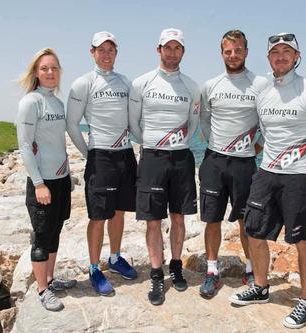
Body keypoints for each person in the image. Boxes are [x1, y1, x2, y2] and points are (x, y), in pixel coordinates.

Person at [228, 32, 306, 329]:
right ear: (268, 59)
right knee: (253, 232)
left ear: (297, 57)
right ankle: (261, 288)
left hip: (298, 178)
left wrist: (303, 162)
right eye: (275, 52)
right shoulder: (264, 93)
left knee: (302, 240)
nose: (280, 56)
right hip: (266, 174)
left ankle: (305, 300)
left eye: (287, 52)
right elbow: (264, 132)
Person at [129, 28, 200, 305]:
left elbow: (193, 124)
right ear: (158, 49)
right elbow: (134, 123)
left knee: (179, 218)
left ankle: (177, 266)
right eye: (167, 47)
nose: (172, 53)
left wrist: (176, 143)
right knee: (154, 220)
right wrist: (151, 142)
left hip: (181, 157)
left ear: (183, 52)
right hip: (152, 158)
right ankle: (157, 274)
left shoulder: (191, 86)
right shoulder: (141, 83)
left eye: (177, 48)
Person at [198, 29, 269, 299]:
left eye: (238, 50)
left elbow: (267, 121)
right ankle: (212, 272)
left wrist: (257, 146)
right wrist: (216, 142)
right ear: (222, 53)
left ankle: (250, 270)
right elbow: (204, 120)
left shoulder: (260, 84)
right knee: (212, 219)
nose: (233, 55)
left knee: (246, 221)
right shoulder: (211, 85)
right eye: (228, 51)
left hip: (245, 165)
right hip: (215, 161)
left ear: (246, 52)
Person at [66, 31, 137, 296]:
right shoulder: (83, 83)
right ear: (92, 52)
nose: (106, 54)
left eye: (111, 49)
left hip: (126, 154)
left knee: (119, 211)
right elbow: (72, 123)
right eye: (101, 49)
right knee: (98, 216)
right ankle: (94, 268)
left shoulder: (125, 82)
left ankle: (115, 258)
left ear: (116, 53)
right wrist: (89, 154)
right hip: (100, 156)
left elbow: (133, 121)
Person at [16, 48, 77, 311]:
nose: (50, 72)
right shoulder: (31, 102)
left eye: (54, 68)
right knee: (41, 236)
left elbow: (57, 142)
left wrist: (70, 172)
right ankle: (42, 290)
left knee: (56, 230)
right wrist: (39, 183)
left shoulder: (57, 102)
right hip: (43, 183)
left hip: (62, 179)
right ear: (36, 73)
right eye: (44, 68)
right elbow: (25, 146)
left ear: (60, 71)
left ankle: (50, 279)